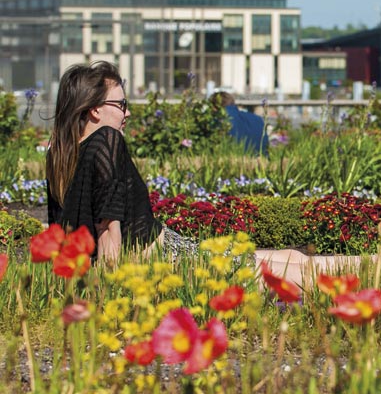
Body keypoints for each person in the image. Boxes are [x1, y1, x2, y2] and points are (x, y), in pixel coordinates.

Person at [46, 62, 307, 279]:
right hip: (173, 260)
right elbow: (107, 231)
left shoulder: (60, 154)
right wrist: (110, 291)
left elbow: (64, 232)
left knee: (292, 259)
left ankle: (346, 274)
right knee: (290, 273)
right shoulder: (106, 140)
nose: (128, 113)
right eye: (122, 104)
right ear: (95, 109)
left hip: (173, 254)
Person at [210, 91, 269, 155]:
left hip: (231, 161)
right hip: (260, 161)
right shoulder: (258, 119)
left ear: (214, 107)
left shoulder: (218, 120)